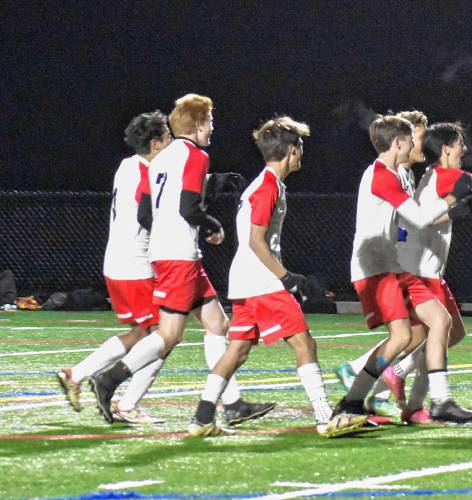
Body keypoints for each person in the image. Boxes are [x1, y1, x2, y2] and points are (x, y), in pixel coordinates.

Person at [89, 94, 274, 426]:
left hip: (169, 253)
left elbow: (147, 212)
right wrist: (213, 224)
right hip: (179, 256)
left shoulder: (159, 158)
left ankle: (232, 403)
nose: (212, 128)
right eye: (211, 121)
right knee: (169, 334)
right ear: (199, 122)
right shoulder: (194, 155)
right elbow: (188, 206)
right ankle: (109, 380)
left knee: (217, 324)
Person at [188, 116, 368, 437]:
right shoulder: (268, 186)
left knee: (237, 350)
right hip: (263, 282)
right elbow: (256, 240)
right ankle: (325, 417)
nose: (302, 154)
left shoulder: (265, 184)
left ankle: (202, 417)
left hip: (245, 281)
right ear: (290, 150)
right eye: (300, 148)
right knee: (304, 343)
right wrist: (287, 277)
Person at [336, 114, 472, 423]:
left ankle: (439, 401)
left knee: (440, 322)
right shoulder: (381, 176)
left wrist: (452, 210)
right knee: (402, 337)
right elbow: (418, 219)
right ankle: (354, 399)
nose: (419, 144)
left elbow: (413, 222)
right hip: (375, 266)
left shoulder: (400, 174)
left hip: (396, 266)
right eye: (413, 139)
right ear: (399, 143)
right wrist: (455, 200)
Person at [56, 111, 170, 424]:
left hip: (118, 261)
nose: (172, 141)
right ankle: (127, 403)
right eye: (168, 136)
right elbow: (148, 216)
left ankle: (75, 374)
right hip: (137, 264)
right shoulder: (148, 171)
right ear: (156, 143)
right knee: (164, 336)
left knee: (140, 334)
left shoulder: (127, 165)